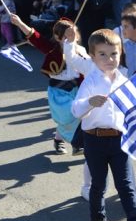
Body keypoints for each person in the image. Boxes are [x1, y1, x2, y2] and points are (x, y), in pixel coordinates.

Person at [70, 29, 136, 221]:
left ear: (120, 53)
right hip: (94, 139)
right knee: (98, 184)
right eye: (103, 54)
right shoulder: (90, 81)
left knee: (126, 184)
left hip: (118, 139)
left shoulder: (123, 79)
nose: (109, 59)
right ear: (92, 56)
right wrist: (90, 102)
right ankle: (98, 220)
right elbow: (76, 110)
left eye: (114, 54)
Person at [10, 15, 83, 155]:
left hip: (77, 90)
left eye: (73, 34)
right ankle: (77, 144)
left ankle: (60, 140)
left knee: (78, 117)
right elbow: (35, 37)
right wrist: (19, 23)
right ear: (57, 37)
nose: (71, 37)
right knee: (68, 117)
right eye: (67, 35)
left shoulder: (81, 50)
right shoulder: (52, 49)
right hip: (59, 92)